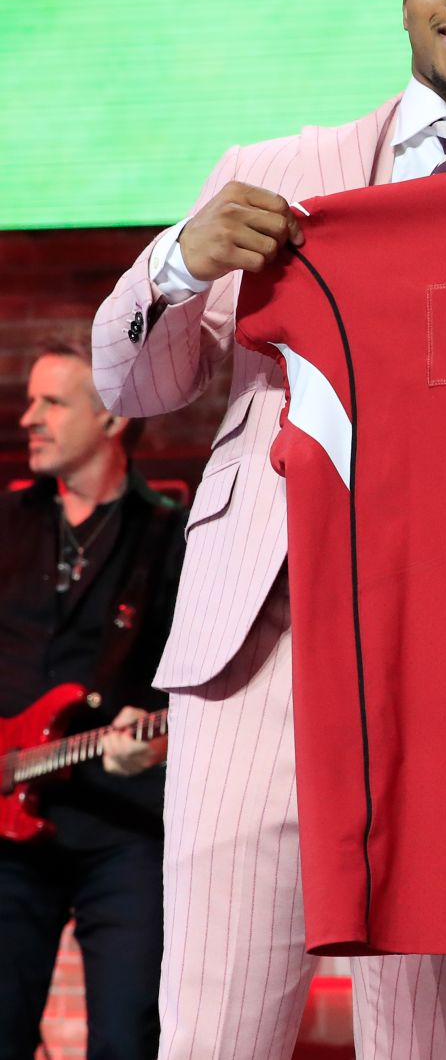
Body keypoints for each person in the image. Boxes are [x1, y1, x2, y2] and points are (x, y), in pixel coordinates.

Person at [91, 0, 446, 1060]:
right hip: (259, 659)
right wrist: (176, 259)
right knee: (211, 1037)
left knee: (439, 1048)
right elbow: (135, 385)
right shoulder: (281, 171)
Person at [0, 342, 182, 1060]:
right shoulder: (7, 525)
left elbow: (194, 679)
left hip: (124, 823)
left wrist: (163, 736)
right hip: (8, 830)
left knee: (130, 1035)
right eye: (30, 401)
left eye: (52, 403)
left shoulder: (169, 533)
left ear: (110, 416)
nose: (28, 419)